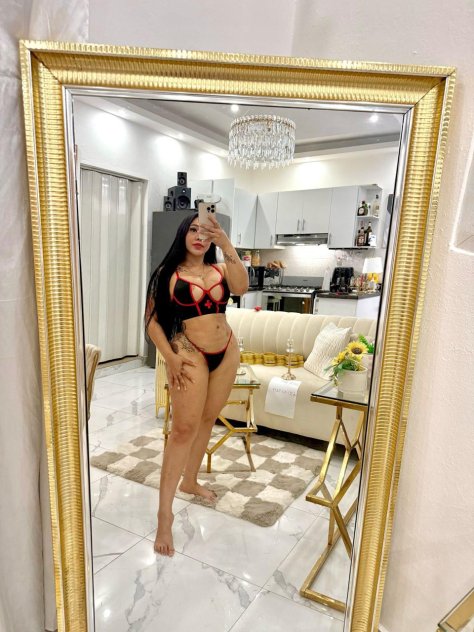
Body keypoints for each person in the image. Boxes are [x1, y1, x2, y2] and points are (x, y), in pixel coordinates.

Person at [145, 212, 249, 556]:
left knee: (207, 420)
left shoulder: (220, 269)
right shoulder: (168, 273)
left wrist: (225, 241)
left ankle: (189, 481)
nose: (199, 237)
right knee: (182, 430)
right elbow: (151, 322)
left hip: (226, 350)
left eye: (206, 233)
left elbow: (241, 287)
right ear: (183, 234)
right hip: (189, 353)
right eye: (193, 230)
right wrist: (170, 358)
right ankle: (164, 514)